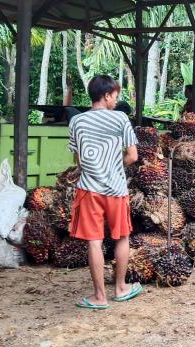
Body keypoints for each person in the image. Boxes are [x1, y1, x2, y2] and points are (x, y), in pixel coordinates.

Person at [68, 75, 141, 309]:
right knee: (122, 237)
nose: (116, 101)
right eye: (115, 96)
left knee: (94, 242)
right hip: (116, 190)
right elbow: (132, 156)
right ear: (107, 95)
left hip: (89, 190)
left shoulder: (77, 122)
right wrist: (113, 165)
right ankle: (120, 288)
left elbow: (78, 159)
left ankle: (99, 297)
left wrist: (97, 166)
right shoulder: (120, 119)